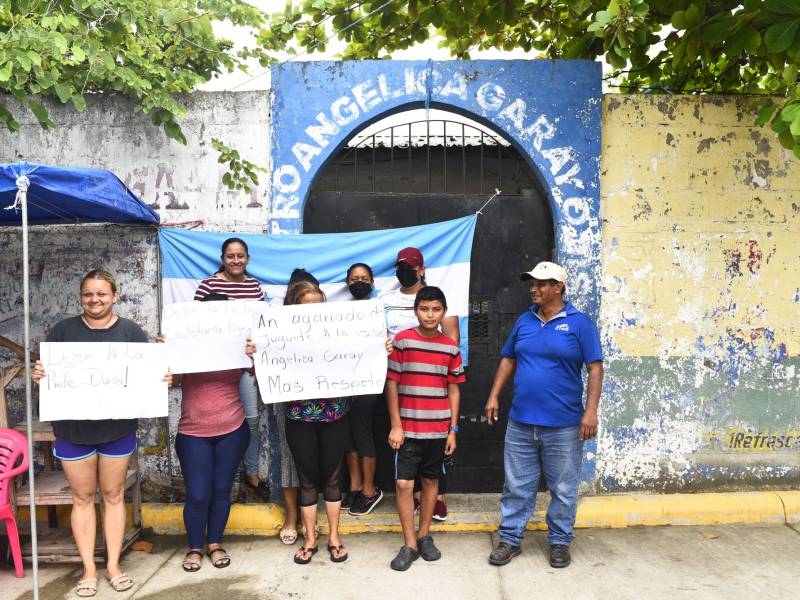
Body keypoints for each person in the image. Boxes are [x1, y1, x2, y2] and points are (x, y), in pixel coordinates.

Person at [31, 270, 171, 597]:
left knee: (113, 496)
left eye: (102, 294)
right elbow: (49, 373)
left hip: (117, 429)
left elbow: (148, 374)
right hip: (72, 429)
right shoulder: (63, 331)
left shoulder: (131, 332)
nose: (95, 300)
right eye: (88, 295)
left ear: (115, 296)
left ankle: (113, 565)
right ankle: (89, 569)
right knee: (81, 498)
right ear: (81, 297)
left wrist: (162, 376)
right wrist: (41, 374)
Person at [484, 261, 603, 569]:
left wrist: (590, 411)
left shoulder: (580, 324)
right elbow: (509, 358)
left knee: (563, 488)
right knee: (516, 485)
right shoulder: (525, 321)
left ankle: (560, 542)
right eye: (532, 283)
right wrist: (494, 395)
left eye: (541, 283)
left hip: (563, 426)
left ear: (558, 287)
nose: (533, 288)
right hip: (521, 422)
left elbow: (595, 368)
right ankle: (510, 539)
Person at [253, 280, 351, 564]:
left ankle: (334, 535)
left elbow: (359, 354)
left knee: (333, 478)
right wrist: (257, 354)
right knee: (307, 481)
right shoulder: (280, 336)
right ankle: (310, 537)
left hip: (335, 414)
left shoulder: (339, 333)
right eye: (306, 307)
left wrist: (376, 348)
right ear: (293, 309)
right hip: (299, 417)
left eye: (318, 305)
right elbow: (264, 369)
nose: (312, 312)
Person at [386, 286, 465, 571]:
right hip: (407, 429)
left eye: (436, 309)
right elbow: (391, 383)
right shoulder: (402, 341)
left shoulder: (451, 347)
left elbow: (454, 390)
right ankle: (408, 543)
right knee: (404, 483)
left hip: (438, 429)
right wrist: (396, 424)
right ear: (415, 310)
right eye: (424, 309)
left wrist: (453, 429)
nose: (430, 315)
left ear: (443, 312)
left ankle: (424, 536)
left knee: (431, 482)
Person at [171, 293, 251, 573]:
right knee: (198, 494)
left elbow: (261, 372)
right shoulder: (184, 344)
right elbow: (173, 381)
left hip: (233, 428)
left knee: (221, 490)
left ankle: (215, 543)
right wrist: (166, 356)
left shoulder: (239, 343)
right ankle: (194, 546)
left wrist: (256, 353)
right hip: (193, 431)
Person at [381, 247, 459, 521]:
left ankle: (436, 498)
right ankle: (412, 499)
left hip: (432, 390)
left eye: (411, 267)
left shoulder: (439, 301)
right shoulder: (385, 300)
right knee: (404, 444)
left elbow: (452, 349)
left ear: (422, 269)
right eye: (401, 267)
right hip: (398, 381)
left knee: (434, 452)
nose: (429, 314)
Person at [193, 237, 269, 501]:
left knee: (251, 419)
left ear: (247, 259)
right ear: (222, 258)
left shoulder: (254, 287)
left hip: (245, 365)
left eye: (240, 256)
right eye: (230, 256)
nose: (235, 261)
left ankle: (251, 473)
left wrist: (257, 361)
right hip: (213, 367)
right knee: (216, 420)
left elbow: (261, 326)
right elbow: (195, 323)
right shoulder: (208, 285)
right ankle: (224, 473)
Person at [342, 263, 384, 517]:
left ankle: (369, 490)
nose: (359, 281)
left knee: (362, 432)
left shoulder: (380, 308)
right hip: (342, 381)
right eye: (355, 278)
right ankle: (355, 485)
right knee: (347, 434)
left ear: (372, 282)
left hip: (369, 380)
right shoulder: (338, 311)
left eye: (364, 278)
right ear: (347, 283)